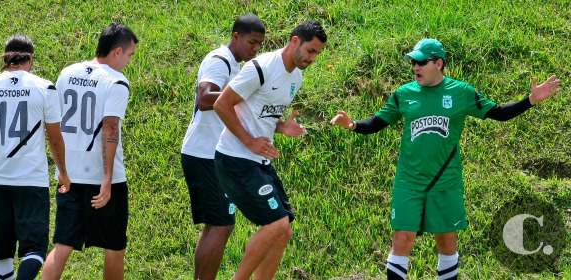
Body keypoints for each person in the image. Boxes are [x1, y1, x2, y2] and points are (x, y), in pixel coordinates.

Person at [330, 38, 561, 280]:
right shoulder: (404, 94)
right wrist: (352, 124)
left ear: (438, 63)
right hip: (409, 182)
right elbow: (377, 123)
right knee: (403, 238)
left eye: (421, 62)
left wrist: (530, 100)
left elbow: (499, 113)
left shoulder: (461, 93)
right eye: (413, 62)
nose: (415, 67)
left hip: (444, 181)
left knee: (447, 241)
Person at [213, 21, 327, 279]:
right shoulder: (261, 68)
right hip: (235, 158)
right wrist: (250, 141)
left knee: (284, 230)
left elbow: (259, 114)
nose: (313, 58)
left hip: (258, 161)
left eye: (318, 54)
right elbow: (222, 104)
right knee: (276, 224)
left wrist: (281, 127)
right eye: (311, 51)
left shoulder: (296, 77)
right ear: (295, 40)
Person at [0, 34, 70, 280]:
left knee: (2, 253)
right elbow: (55, 137)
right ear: (30, 59)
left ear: (5, 57)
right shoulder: (44, 87)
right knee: (35, 250)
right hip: (32, 181)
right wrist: (63, 172)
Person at [41, 23, 138, 280]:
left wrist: (61, 169)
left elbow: (54, 123)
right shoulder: (116, 81)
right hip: (103, 179)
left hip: (69, 175)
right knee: (115, 247)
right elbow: (110, 127)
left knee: (62, 245)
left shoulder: (66, 73)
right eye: (130, 55)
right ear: (117, 52)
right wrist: (106, 179)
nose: (129, 62)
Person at [180, 14, 265, 280]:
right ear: (236, 36)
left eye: (259, 45)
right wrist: (243, 97)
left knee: (220, 225)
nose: (254, 50)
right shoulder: (219, 60)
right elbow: (205, 97)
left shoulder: (235, 66)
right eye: (251, 42)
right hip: (203, 154)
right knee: (221, 224)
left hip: (213, 155)